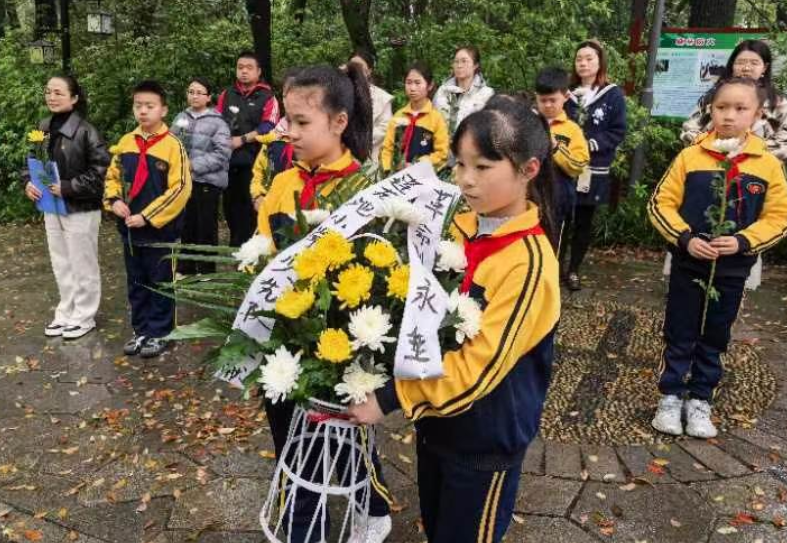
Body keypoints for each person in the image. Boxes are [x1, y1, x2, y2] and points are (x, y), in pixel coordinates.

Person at [348, 97, 560, 543]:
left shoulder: (528, 264)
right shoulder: (458, 228)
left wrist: (388, 397)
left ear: (529, 170)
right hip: (438, 425)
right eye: (460, 164)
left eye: (482, 167)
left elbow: (479, 368)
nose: (465, 180)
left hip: (484, 439)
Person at [256, 64, 393, 543]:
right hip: (284, 342)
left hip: (338, 347)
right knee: (293, 443)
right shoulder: (281, 184)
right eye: (285, 120)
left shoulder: (364, 192)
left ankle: (368, 507)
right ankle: (307, 526)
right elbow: (262, 257)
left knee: (347, 437)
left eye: (300, 122)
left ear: (338, 122)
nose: (288, 132)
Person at [648, 77, 787, 438]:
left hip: (732, 269)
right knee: (680, 328)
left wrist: (742, 241)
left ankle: (701, 398)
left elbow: (779, 217)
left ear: (757, 114)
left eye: (740, 109)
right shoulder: (690, 156)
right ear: (710, 109)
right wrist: (685, 237)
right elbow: (660, 203)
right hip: (689, 263)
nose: (729, 116)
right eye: (722, 107)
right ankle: (671, 394)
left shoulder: (767, 165)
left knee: (716, 332)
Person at [677, 39, 787, 290]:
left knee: (741, 232)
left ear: (765, 67)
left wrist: (749, 152)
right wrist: (708, 148)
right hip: (707, 171)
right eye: (741, 62)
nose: (746, 68)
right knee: (698, 221)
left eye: (753, 62)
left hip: (752, 177)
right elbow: (689, 128)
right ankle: (687, 284)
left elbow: (785, 141)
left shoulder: (778, 102)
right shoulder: (714, 94)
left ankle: (732, 291)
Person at [104, 80, 192, 358]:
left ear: (163, 110)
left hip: (160, 231)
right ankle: (141, 329)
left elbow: (180, 188)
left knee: (162, 282)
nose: (143, 111)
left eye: (149, 106)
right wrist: (115, 201)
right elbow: (112, 177)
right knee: (136, 281)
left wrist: (148, 215)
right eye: (138, 105)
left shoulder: (172, 146)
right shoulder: (125, 142)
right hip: (130, 230)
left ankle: (161, 332)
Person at [23, 75, 109, 339]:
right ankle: (66, 311)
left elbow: (101, 171)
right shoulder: (42, 127)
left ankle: (84, 316)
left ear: (74, 98)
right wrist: (27, 182)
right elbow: (28, 160)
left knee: (82, 263)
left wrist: (69, 187)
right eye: (48, 92)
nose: (51, 97)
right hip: (51, 206)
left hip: (80, 207)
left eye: (59, 93)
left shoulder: (87, 131)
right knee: (60, 261)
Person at [563, 39, 627, 291]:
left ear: (599, 61)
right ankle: (555, 266)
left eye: (589, 58)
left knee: (583, 221)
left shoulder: (612, 95)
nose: (583, 63)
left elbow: (617, 131)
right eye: (579, 58)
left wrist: (590, 143)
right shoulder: (566, 93)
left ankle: (574, 270)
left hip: (593, 168)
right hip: (563, 166)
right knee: (561, 218)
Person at [216, 51, 280, 246]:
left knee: (251, 209)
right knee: (230, 208)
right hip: (228, 162)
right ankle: (235, 251)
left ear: (259, 71)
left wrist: (242, 139)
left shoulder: (268, 97)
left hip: (254, 163)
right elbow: (216, 120)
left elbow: (269, 126)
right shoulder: (227, 94)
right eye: (240, 67)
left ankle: (252, 253)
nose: (243, 71)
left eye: (249, 68)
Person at [170, 77, 231, 275]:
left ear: (208, 97)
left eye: (199, 92)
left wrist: (193, 166)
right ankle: (185, 268)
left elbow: (222, 154)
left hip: (208, 182)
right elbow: (171, 143)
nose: (194, 96)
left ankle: (206, 270)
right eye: (191, 92)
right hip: (184, 182)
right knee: (186, 225)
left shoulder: (218, 122)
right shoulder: (181, 117)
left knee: (205, 226)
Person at [535, 67, 590, 252]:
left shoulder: (572, 129)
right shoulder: (529, 123)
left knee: (552, 245)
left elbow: (579, 165)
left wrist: (556, 147)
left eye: (553, 100)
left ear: (565, 97)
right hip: (528, 198)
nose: (548, 105)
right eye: (543, 100)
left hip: (558, 200)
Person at [380, 61, 449, 174]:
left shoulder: (436, 118)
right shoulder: (399, 116)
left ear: (430, 85)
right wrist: (387, 170)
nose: (412, 88)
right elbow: (387, 148)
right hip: (395, 178)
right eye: (409, 82)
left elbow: (442, 154)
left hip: (423, 178)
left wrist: (417, 164)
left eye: (418, 83)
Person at [433, 45, 495, 135]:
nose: (459, 65)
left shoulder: (487, 94)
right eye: (456, 62)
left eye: (464, 61)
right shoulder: (442, 91)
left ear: (475, 65)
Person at [347, 49, 393, 164]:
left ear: (369, 71)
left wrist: (358, 139)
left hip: (370, 155)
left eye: (360, 67)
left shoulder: (382, 97)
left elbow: (385, 127)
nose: (356, 70)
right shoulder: (341, 92)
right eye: (353, 66)